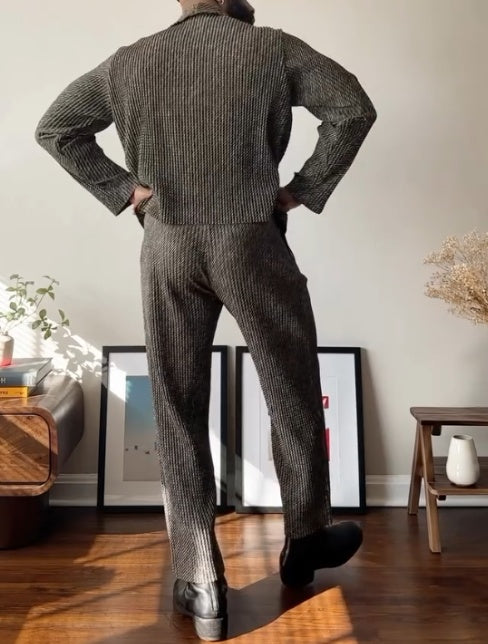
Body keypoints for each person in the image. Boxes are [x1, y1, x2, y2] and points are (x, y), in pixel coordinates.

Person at [35, 0, 377, 640]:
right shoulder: (272, 47)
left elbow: (57, 128)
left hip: (167, 244)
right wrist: (302, 189)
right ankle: (306, 538)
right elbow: (353, 109)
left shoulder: (131, 60)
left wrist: (126, 190)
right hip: (251, 241)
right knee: (292, 386)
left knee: (176, 404)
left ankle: (202, 581)